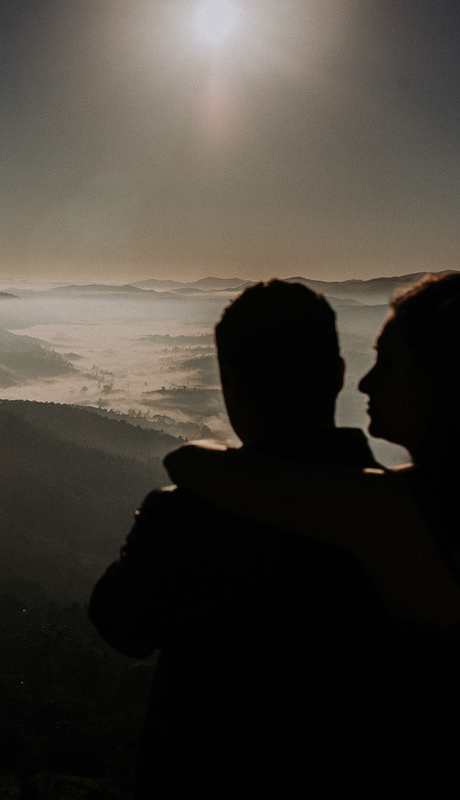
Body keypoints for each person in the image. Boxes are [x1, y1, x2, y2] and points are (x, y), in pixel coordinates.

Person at [165, 272, 460, 796]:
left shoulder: (407, 513)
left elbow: (192, 466)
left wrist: (202, 449)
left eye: (387, 363)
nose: (365, 383)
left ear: (447, 381)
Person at [89, 280, 392, 798]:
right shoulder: (409, 516)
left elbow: (120, 626)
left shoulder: (187, 517)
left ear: (229, 385)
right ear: (340, 376)